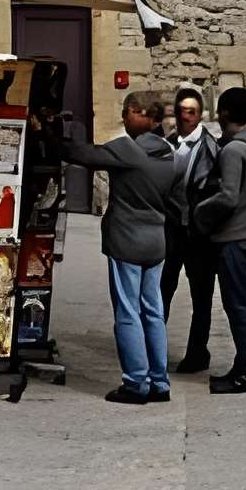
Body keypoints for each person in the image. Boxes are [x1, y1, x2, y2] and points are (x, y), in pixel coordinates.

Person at [62, 93, 175, 406]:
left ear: (141, 113)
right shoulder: (169, 152)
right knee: (153, 312)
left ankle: (135, 382)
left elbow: (82, 154)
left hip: (127, 240)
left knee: (127, 311)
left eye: (127, 113)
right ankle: (159, 381)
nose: (124, 119)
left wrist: (65, 128)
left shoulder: (129, 150)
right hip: (156, 240)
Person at [192, 87, 246, 395]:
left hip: (234, 239)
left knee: (239, 306)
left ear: (223, 113)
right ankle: (244, 368)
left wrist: (200, 211)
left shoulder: (234, 151)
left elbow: (227, 197)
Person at [161, 84, 219, 375]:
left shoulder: (213, 148)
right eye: (182, 111)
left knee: (201, 296)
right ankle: (156, 350)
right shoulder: (167, 144)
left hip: (199, 234)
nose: (187, 117)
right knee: (162, 292)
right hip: (172, 230)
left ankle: (197, 352)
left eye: (192, 111)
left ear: (201, 114)